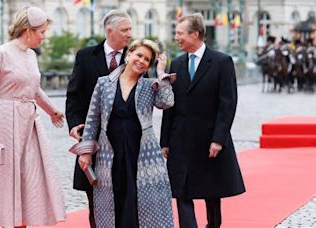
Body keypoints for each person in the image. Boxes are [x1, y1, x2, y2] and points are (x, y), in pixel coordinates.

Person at [0, 6, 66, 227]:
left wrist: (52, 110)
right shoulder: (1, 53)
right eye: (41, 32)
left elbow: (34, 88)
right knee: (5, 178)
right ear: (28, 30)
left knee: (28, 176)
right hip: (3, 120)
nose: (44, 37)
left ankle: (22, 221)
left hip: (29, 122)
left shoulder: (31, 55)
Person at [78, 39, 175, 228]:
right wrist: (86, 151)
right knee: (114, 199)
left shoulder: (150, 85)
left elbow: (167, 102)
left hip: (142, 153)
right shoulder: (104, 83)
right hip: (110, 153)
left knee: (139, 201)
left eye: (147, 60)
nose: (142, 61)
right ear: (129, 54)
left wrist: (162, 72)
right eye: (139, 55)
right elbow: (92, 118)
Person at [160, 13, 245, 228]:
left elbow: (228, 104)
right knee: (181, 190)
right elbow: (170, 105)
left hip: (209, 138)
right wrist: (165, 141)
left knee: (211, 191)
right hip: (181, 138)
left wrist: (219, 139)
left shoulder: (221, 62)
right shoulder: (176, 63)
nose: (176, 37)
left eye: (180, 33)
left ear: (195, 34)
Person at [65, 10, 132, 228]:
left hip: (125, 141)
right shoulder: (85, 56)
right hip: (93, 141)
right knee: (95, 198)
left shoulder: (135, 56)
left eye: (130, 29)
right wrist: (75, 124)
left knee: (125, 197)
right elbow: (74, 95)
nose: (129, 34)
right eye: (125, 30)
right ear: (109, 31)